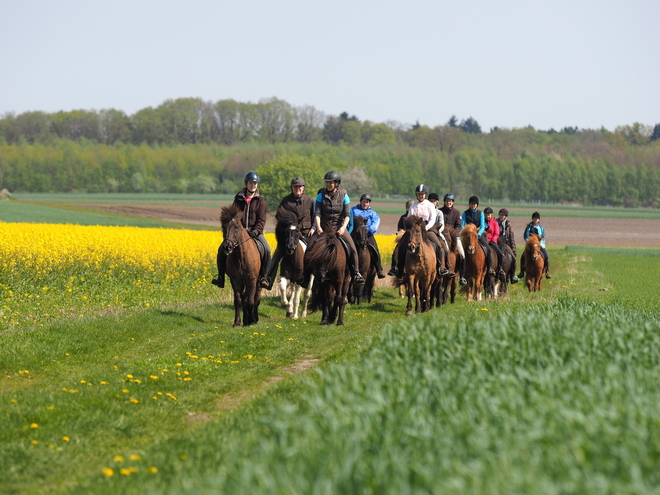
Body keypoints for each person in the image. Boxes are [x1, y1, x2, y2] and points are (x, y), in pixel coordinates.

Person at [302, 171, 365, 286]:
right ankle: (305, 276)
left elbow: (347, 215)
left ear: (337, 183)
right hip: (324, 227)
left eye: (330, 182)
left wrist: (342, 228)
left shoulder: (344, 195)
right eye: (327, 182)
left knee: (353, 248)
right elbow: (317, 213)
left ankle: (356, 273)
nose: (328, 184)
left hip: (338, 227)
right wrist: (319, 227)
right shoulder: (321, 195)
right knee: (309, 247)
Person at [212, 171, 270, 289]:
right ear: (246, 183)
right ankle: (220, 277)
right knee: (221, 249)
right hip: (238, 233)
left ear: (257, 185)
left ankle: (264, 277)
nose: (252, 185)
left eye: (255, 183)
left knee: (267, 249)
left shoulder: (260, 201)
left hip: (255, 233)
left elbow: (261, 220)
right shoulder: (238, 198)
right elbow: (233, 216)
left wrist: (255, 231)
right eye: (250, 183)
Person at [261, 176, 315, 289]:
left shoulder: (310, 201)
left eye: (300, 187)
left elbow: (316, 217)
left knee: (314, 256)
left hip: (305, 235)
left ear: (303, 188)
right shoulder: (285, 201)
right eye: (295, 187)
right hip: (289, 236)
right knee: (277, 254)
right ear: (292, 188)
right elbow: (279, 217)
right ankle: (267, 278)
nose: (297, 189)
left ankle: (314, 283)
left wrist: (313, 228)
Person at [387, 184, 449, 278]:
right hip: (413, 230)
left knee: (439, 246)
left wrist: (426, 228)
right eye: (419, 194)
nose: (421, 196)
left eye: (422, 194)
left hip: (428, 229)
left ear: (425, 194)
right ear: (417, 195)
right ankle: (397, 268)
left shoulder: (430, 205)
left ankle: (441, 267)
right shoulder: (413, 206)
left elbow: (432, 219)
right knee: (400, 245)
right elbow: (409, 218)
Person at [351, 193, 386, 278]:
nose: (365, 204)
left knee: (375, 249)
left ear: (369, 203)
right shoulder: (353, 210)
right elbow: (349, 220)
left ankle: (379, 269)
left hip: (367, 235)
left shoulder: (373, 213)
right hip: (355, 235)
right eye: (364, 202)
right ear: (360, 202)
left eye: (367, 202)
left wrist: (367, 230)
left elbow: (375, 224)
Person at [461, 195, 495, 275]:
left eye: (475, 204)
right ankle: (460, 270)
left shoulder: (481, 214)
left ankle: (489, 267)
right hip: (468, 236)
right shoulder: (465, 213)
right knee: (459, 251)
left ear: (477, 205)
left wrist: (478, 234)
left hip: (478, 236)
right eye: (472, 204)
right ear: (469, 204)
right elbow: (462, 225)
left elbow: (482, 226)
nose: (473, 205)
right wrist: (466, 233)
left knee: (488, 249)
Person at [440, 193, 467, 286]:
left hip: (454, 236)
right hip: (442, 235)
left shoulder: (457, 212)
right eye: (447, 201)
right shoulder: (439, 211)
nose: (449, 202)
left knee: (462, 254)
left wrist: (454, 232)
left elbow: (459, 226)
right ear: (444, 202)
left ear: (453, 202)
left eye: (450, 201)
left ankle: (462, 277)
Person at [428, 192, 454, 278]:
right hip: (426, 231)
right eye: (430, 201)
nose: (432, 202)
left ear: (437, 202)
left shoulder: (439, 212)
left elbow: (442, 224)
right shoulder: (425, 211)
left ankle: (445, 267)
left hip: (437, 232)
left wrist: (437, 230)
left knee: (445, 248)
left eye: (434, 201)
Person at [518, 211, 552, 279]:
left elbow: (544, 236)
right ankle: (522, 272)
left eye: (537, 219)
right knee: (523, 256)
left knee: (546, 256)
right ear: (532, 219)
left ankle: (547, 272)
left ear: (539, 219)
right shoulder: (528, 227)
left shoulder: (541, 227)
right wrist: (528, 242)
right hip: (530, 245)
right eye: (534, 218)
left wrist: (540, 243)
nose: (535, 220)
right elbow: (525, 236)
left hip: (539, 245)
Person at [496, 208, 519, 283]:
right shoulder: (495, 222)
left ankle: (512, 276)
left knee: (514, 259)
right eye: (500, 215)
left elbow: (511, 237)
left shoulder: (508, 224)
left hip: (506, 243)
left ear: (506, 216)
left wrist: (514, 249)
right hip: (496, 242)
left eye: (503, 215)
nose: (501, 216)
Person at [483, 207, 506, 278]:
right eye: (486, 214)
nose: (487, 216)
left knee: (501, 254)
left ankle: (500, 269)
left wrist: (492, 240)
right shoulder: (482, 222)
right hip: (483, 241)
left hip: (492, 242)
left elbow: (496, 233)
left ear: (491, 215)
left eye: (489, 214)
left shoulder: (495, 223)